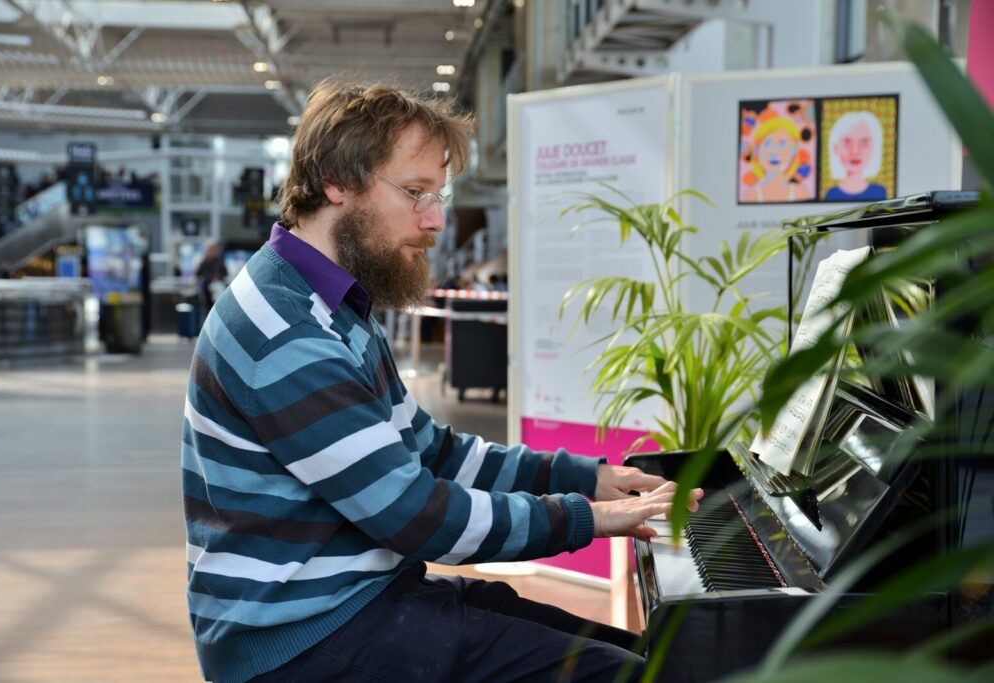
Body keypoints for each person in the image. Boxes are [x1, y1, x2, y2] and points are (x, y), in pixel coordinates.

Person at [182, 79, 702, 683]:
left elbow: (431, 451)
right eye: (415, 192)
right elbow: (415, 517)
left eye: (438, 194)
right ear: (336, 182)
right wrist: (586, 518)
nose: (435, 220)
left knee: (650, 654)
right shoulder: (284, 331)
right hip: (302, 643)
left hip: (361, 603)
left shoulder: (330, 303)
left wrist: (586, 475)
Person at [823, 111, 888, 201]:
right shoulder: (831, 195)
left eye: (863, 142)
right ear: (836, 147)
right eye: (847, 142)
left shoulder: (880, 192)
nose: (855, 151)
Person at [194, 239, 227, 322]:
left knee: (218, 310)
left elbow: (225, 273)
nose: (210, 251)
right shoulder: (204, 262)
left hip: (217, 290)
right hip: (206, 289)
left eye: (212, 249)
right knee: (206, 310)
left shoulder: (219, 261)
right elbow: (198, 274)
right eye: (209, 249)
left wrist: (217, 278)